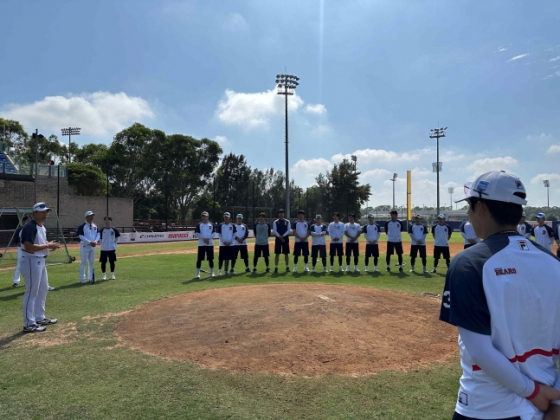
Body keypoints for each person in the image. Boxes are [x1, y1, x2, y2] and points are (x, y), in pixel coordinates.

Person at [440, 170, 560, 420]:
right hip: (546, 405)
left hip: (487, 407)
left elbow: (480, 351)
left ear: (481, 207)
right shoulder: (552, 262)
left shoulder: (469, 262)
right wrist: (556, 401)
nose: (469, 215)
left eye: (470, 208)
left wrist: (533, 392)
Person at [20, 203, 61, 332]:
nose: (45, 214)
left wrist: (49, 247)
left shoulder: (41, 227)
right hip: (31, 261)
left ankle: (39, 317)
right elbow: (28, 246)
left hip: (40, 261)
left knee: (43, 289)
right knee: (32, 292)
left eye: (46, 211)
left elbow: (41, 245)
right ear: (35, 213)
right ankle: (28, 323)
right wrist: (47, 245)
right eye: (42, 212)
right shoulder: (29, 227)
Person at [77, 210, 100, 284]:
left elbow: (98, 234)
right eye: (90, 216)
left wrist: (95, 241)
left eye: (92, 216)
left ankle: (91, 278)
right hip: (85, 246)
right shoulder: (82, 226)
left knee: (91, 262)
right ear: (86, 217)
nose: (91, 218)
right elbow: (80, 236)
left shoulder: (95, 226)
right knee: (84, 262)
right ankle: (82, 278)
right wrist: (90, 242)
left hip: (93, 246)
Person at [194, 211, 215, 278]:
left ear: (208, 217)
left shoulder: (211, 225)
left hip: (210, 244)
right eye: (203, 216)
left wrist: (208, 239)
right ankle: (198, 274)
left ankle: (212, 272)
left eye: (205, 216)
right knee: (199, 259)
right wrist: (203, 239)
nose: (204, 217)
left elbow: (213, 233)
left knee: (210, 259)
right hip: (201, 244)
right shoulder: (199, 225)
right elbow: (197, 233)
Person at [99, 216, 120, 280]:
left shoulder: (114, 230)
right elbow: (100, 239)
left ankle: (112, 275)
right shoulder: (102, 230)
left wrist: (114, 244)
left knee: (112, 262)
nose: (107, 221)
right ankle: (103, 275)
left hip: (111, 249)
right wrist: (102, 244)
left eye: (108, 220)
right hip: (103, 249)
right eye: (105, 220)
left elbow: (117, 238)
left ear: (111, 221)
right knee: (103, 262)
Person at [12, 215, 30, 287]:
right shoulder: (20, 229)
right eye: (27, 220)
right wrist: (24, 246)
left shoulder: (33, 229)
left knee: (30, 266)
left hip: (31, 249)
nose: (29, 221)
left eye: (30, 220)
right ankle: (16, 281)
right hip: (22, 249)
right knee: (19, 265)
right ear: (24, 221)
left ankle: (29, 281)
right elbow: (17, 241)